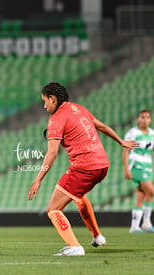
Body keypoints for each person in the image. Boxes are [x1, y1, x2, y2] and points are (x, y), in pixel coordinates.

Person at [28, 82, 137, 256]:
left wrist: (38, 180)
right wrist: (120, 141)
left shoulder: (56, 119)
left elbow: (52, 153)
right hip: (102, 165)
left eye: (45, 101)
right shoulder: (78, 108)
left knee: (53, 209)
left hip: (85, 167)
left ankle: (75, 246)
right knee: (78, 196)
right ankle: (97, 236)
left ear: (53, 99)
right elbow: (101, 127)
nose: (44, 105)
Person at [122, 109, 154, 233]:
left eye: (147, 117)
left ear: (150, 120)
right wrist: (126, 169)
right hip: (137, 166)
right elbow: (125, 151)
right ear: (138, 119)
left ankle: (135, 226)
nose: (145, 120)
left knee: (142, 195)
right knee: (151, 191)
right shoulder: (132, 133)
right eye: (142, 117)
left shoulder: (152, 133)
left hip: (148, 167)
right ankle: (146, 223)